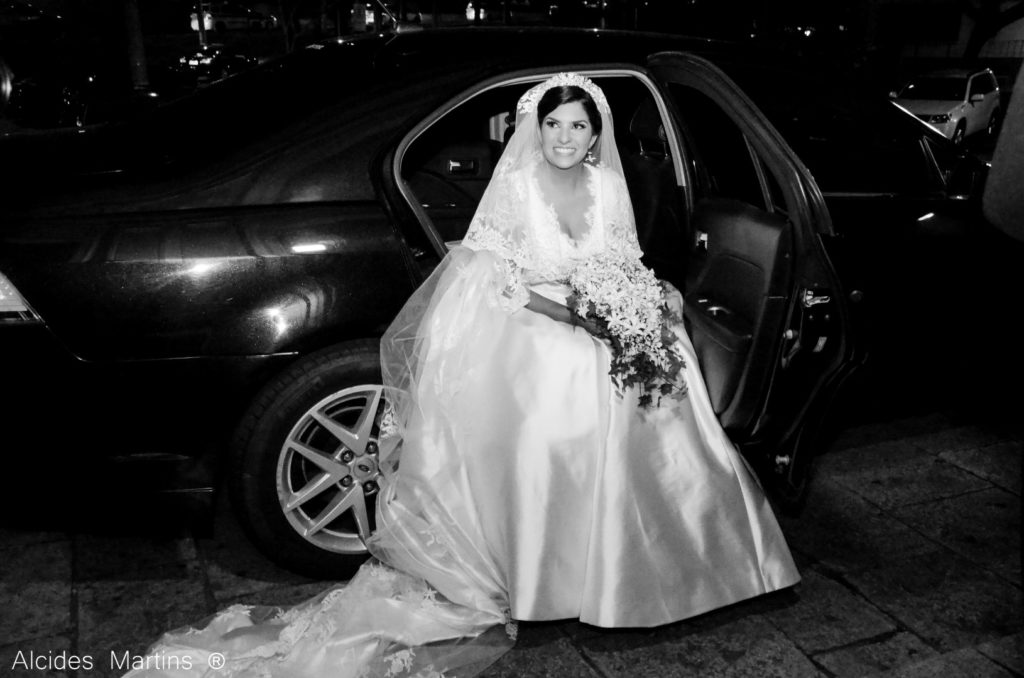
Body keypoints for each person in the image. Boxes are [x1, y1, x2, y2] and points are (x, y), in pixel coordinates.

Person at [124, 73, 799, 678]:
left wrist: (646, 298)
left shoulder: (611, 186)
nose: (565, 138)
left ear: (597, 135)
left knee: (664, 369)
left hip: (600, 311)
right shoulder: (518, 187)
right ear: (535, 128)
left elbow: (622, 259)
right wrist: (573, 316)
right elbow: (499, 277)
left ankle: (668, 562)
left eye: (579, 126)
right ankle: (550, 572)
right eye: (554, 124)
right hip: (536, 315)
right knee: (564, 395)